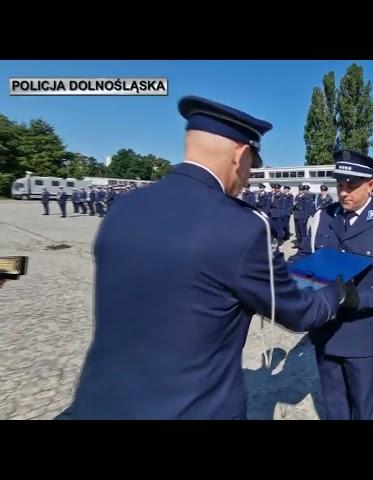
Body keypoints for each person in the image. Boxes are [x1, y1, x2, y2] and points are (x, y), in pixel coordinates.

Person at [65, 95, 357, 420]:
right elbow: (297, 313)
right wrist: (337, 293)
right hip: (192, 409)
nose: (248, 177)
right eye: (252, 166)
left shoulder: (125, 207)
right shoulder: (242, 226)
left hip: (101, 402)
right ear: (241, 155)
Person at [289, 149, 373, 420]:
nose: (344, 192)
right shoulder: (324, 216)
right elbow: (305, 257)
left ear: (371, 185)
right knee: (333, 405)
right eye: (339, 185)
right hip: (325, 330)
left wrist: (358, 299)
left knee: (363, 408)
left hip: (363, 333)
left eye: (352, 186)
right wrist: (285, 273)